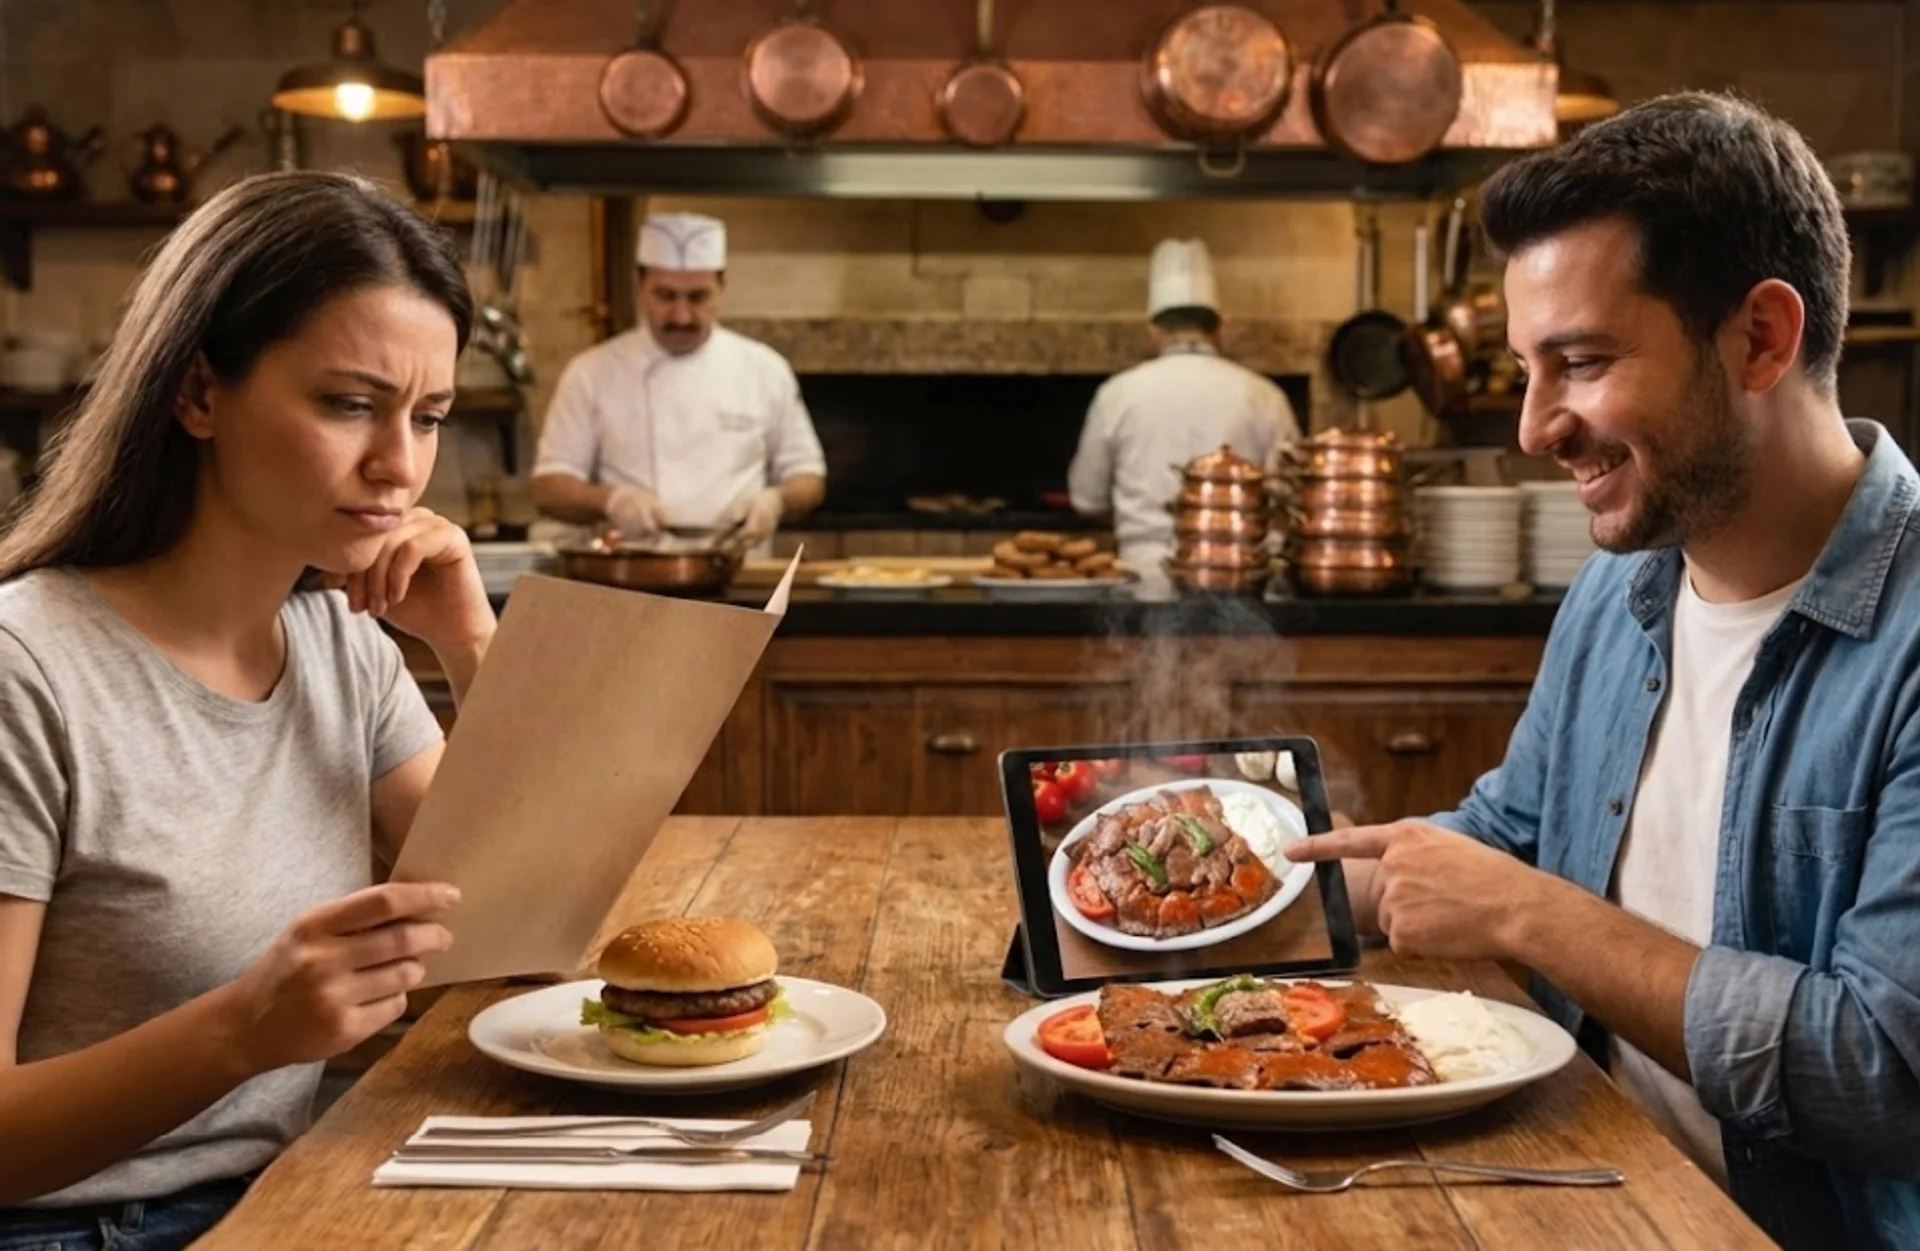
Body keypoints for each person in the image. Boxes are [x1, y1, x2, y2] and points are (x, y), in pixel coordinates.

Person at [1287, 94, 1920, 1250]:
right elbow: (1504, 843)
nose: (1536, 428)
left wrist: (1534, 917)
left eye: (1580, 363)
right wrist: (1263, 877)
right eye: (1531, 369)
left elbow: (1888, 1075)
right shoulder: (1623, 591)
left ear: (1762, 340)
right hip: (1596, 1197)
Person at [0, 171, 492, 1249]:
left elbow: (526, 928)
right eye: (348, 404)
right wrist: (244, 1030)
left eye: (430, 416)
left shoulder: (339, 643)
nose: (399, 466)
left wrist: (471, 646)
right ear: (198, 395)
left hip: (282, 1201)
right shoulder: (24, 669)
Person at [530, 211, 827, 548]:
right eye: (666, 296)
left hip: (738, 575)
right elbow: (549, 487)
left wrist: (776, 501)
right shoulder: (591, 372)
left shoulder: (765, 369)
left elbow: (809, 479)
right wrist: (610, 500)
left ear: (721, 290)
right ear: (641, 288)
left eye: (698, 297)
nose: (682, 316)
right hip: (630, 577)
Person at [1067, 238, 1299, 580]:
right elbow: (1289, 496)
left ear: (1153, 331)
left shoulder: (1116, 394)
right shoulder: (1265, 396)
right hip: (1239, 577)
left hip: (1143, 572)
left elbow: (1086, 499)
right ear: (1218, 331)